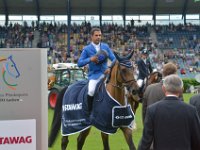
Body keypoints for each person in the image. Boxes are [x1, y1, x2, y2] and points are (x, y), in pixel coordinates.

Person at [138, 74, 200, 150]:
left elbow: (146, 141)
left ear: (163, 89)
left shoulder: (152, 110)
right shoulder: (191, 110)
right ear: (182, 90)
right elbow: (197, 140)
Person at [77, 27, 116, 114]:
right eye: (96, 35)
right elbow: (79, 63)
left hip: (106, 74)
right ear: (91, 36)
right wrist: (90, 59)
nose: (98, 37)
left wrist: (110, 68)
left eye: (100, 35)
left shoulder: (105, 46)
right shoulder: (87, 49)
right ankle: (89, 112)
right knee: (91, 90)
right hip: (94, 75)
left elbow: (114, 59)